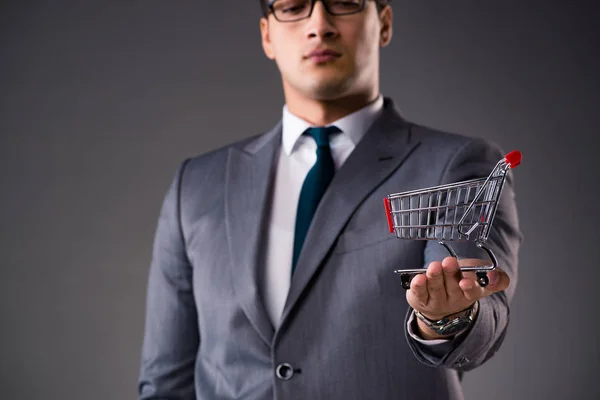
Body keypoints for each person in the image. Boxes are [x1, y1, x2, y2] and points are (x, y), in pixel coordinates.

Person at [138, 0, 522, 399]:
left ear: (384, 23)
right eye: (292, 7)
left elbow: (481, 318)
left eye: (343, 3)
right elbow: (165, 381)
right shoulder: (196, 185)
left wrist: (443, 319)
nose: (319, 25)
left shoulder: (458, 166)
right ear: (267, 34)